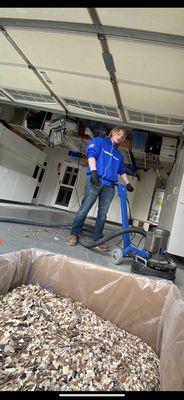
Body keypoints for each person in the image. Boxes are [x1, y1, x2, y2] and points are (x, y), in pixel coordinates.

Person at [67, 126, 134, 252]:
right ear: (112, 133)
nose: (120, 137)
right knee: (85, 208)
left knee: (103, 214)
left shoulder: (119, 156)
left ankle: (98, 239)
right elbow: (91, 154)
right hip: (95, 181)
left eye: (123, 136)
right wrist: (93, 172)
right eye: (118, 134)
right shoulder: (100, 142)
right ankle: (73, 234)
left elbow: (122, 171)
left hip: (109, 186)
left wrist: (128, 183)